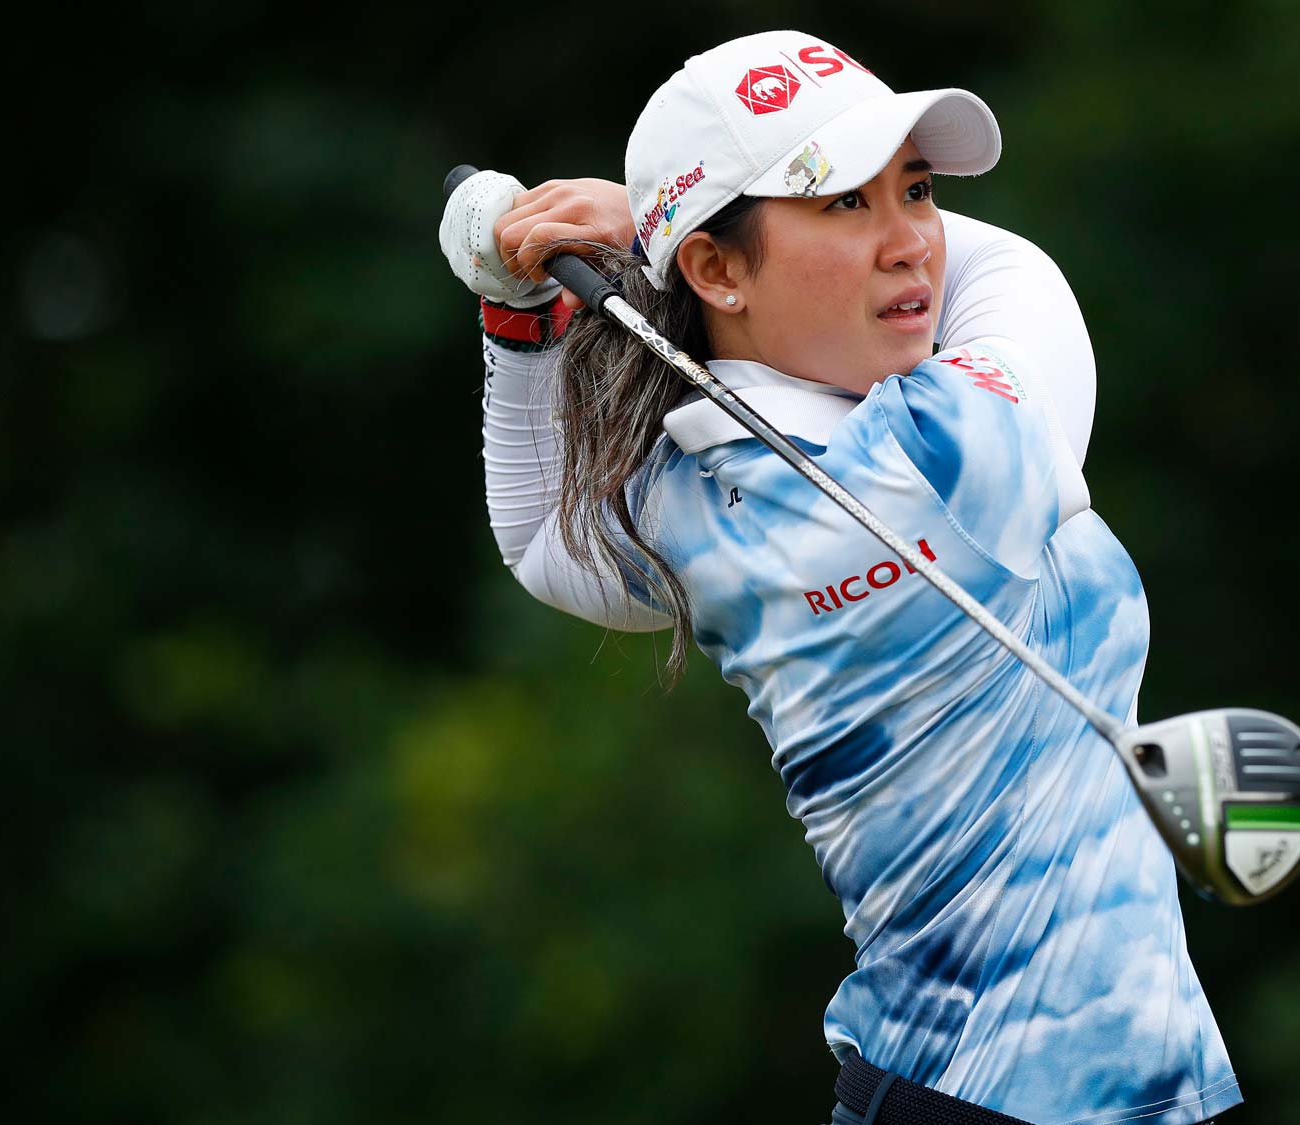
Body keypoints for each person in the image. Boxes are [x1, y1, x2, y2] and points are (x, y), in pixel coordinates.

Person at [445, 29, 1241, 1125]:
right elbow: (1016, 269)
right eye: (842, 205)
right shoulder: (952, 444)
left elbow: (539, 539)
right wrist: (649, 222)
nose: (912, 240)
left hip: (948, 1093)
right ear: (716, 270)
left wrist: (517, 320)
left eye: (913, 189)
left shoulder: (696, 503)